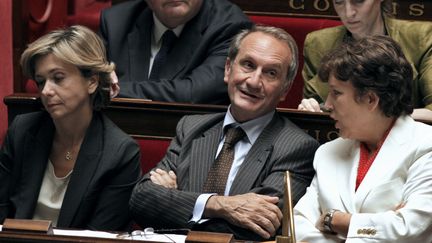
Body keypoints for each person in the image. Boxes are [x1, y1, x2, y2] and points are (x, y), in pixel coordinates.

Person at [129, 25, 319, 241]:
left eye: (271, 73)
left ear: (285, 89)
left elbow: (257, 228)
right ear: (228, 69)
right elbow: (142, 201)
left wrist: (176, 201)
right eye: (248, 65)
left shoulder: (297, 147)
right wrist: (220, 205)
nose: (254, 81)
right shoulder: (191, 127)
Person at [0, 25, 141, 231]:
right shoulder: (22, 130)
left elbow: (99, 236)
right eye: (41, 82)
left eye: (58, 78)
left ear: (92, 82)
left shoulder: (120, 153)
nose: (46, 91)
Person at [294, 36, 432, 242]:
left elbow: (410, 228)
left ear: (370, 99)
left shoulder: (426, 145)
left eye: (336, 93)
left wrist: (333, 220)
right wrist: (381, 225)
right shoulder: (327, 152)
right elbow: (297, 226)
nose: (327, 105)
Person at [298, 0, 432, 120]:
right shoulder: (318, 43)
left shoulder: (421, 37)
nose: (348, 13)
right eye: (339, 2)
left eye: (358, 1)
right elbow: (316, 108)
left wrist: (379, 119)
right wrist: (310, 108)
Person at [99, 0, 252, 104]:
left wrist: (111, 89)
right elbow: (87, 80)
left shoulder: (230, 25)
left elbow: (194, 93)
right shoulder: (116, 21)